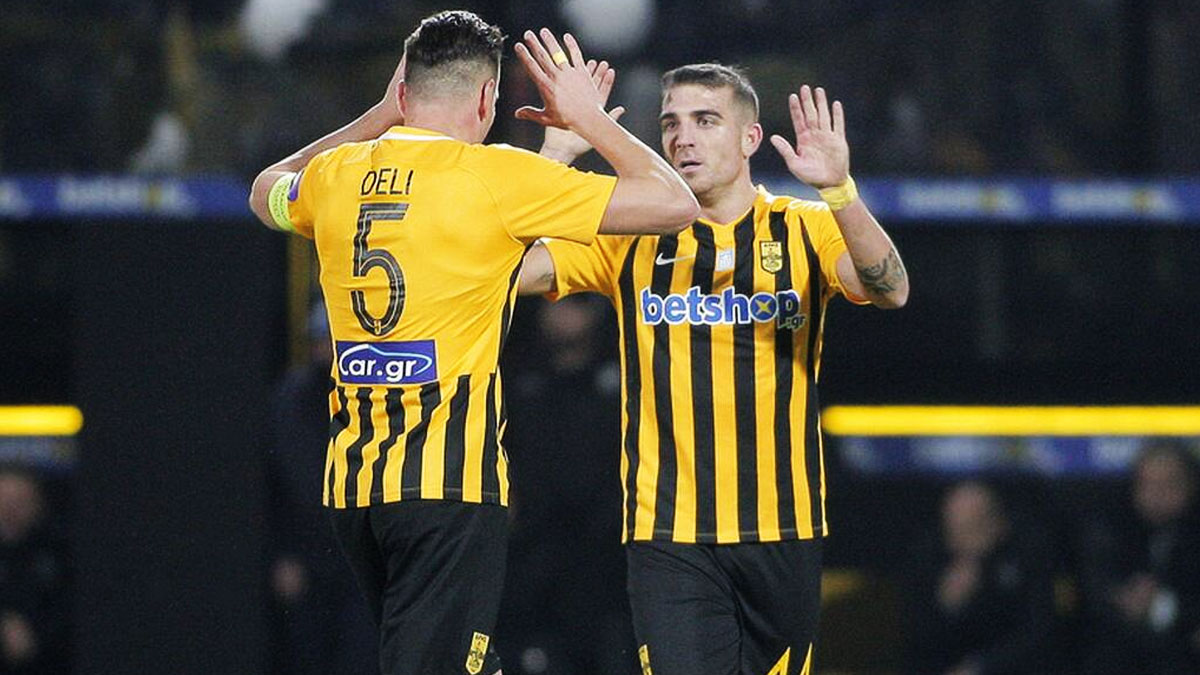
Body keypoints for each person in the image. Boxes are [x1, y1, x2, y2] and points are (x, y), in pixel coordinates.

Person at [247, 10, 698, 675]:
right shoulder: (495, 176)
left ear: (406, 92)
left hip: (356, 495)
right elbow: (675, 204)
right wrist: (589, 119)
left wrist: (378, 116)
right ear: (488, 98)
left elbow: (265, 191)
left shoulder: (338, 175)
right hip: (447, 496)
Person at [519, 63, 909, 674]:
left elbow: (890, 289)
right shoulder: (632, 237)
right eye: (671, 123)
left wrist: (840, 191)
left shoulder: (804, 227)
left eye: (705, 121)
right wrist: (553, 160)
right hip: (669, 534)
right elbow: (506, 273)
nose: (684, 138)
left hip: (782, 526)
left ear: (750, 138)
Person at [264, 304, 378, 675]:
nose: (326, 350)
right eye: (321, 340)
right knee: (307, 655)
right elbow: (277, 486)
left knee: (358, 656)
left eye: (334, 341)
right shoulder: (290, 399)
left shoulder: (374, 398)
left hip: (360, 553)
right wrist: (283, 554)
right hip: (308, 553)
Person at [903, 481, 1056, 675]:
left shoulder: (1027, 553)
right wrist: (948, 607)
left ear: (996, 524)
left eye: (969, 529)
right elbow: (919, 641)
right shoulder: (932, 558)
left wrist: (982, 667)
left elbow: (1039, 632)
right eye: (952, 530)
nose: (957, 541)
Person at [1080, 441, 1200, 675]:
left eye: (1170, 484)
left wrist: (1162, 606)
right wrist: (1122, 598)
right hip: (1119, 654)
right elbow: (1095, 590)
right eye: (1149, 484)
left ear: (1191, 485)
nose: (1157, 495)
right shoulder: (1111, 525)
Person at [0, 466, 70, 675]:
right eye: (4, 501)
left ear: (38, 506)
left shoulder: (61, 553)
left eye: (20, 502)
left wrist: (37, 634)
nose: (10, 511)